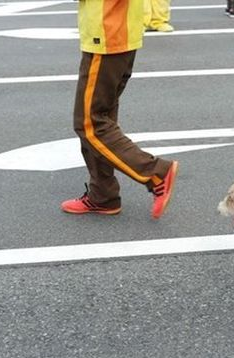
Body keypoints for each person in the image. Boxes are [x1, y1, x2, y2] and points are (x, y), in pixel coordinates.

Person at [61, 0, 179, 219]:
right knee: (102, 117)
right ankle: (103, 195)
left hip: (106, 33)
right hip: (121, 32)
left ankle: (156, 173)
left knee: (90, 123)